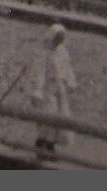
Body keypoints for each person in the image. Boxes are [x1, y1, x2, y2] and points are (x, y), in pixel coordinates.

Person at [31, 23, 77, 154]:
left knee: (60, 114)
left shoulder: (63, 52)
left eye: (60, 39)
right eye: (57, 38)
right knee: (48, 114)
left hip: (60, 88)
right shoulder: (46, 52)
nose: (58, 41)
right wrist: (38, 89)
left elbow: (67, 68)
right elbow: (40, 71)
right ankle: (42, 141)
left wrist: (71, 82)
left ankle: (51, 142)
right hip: (48, 88)